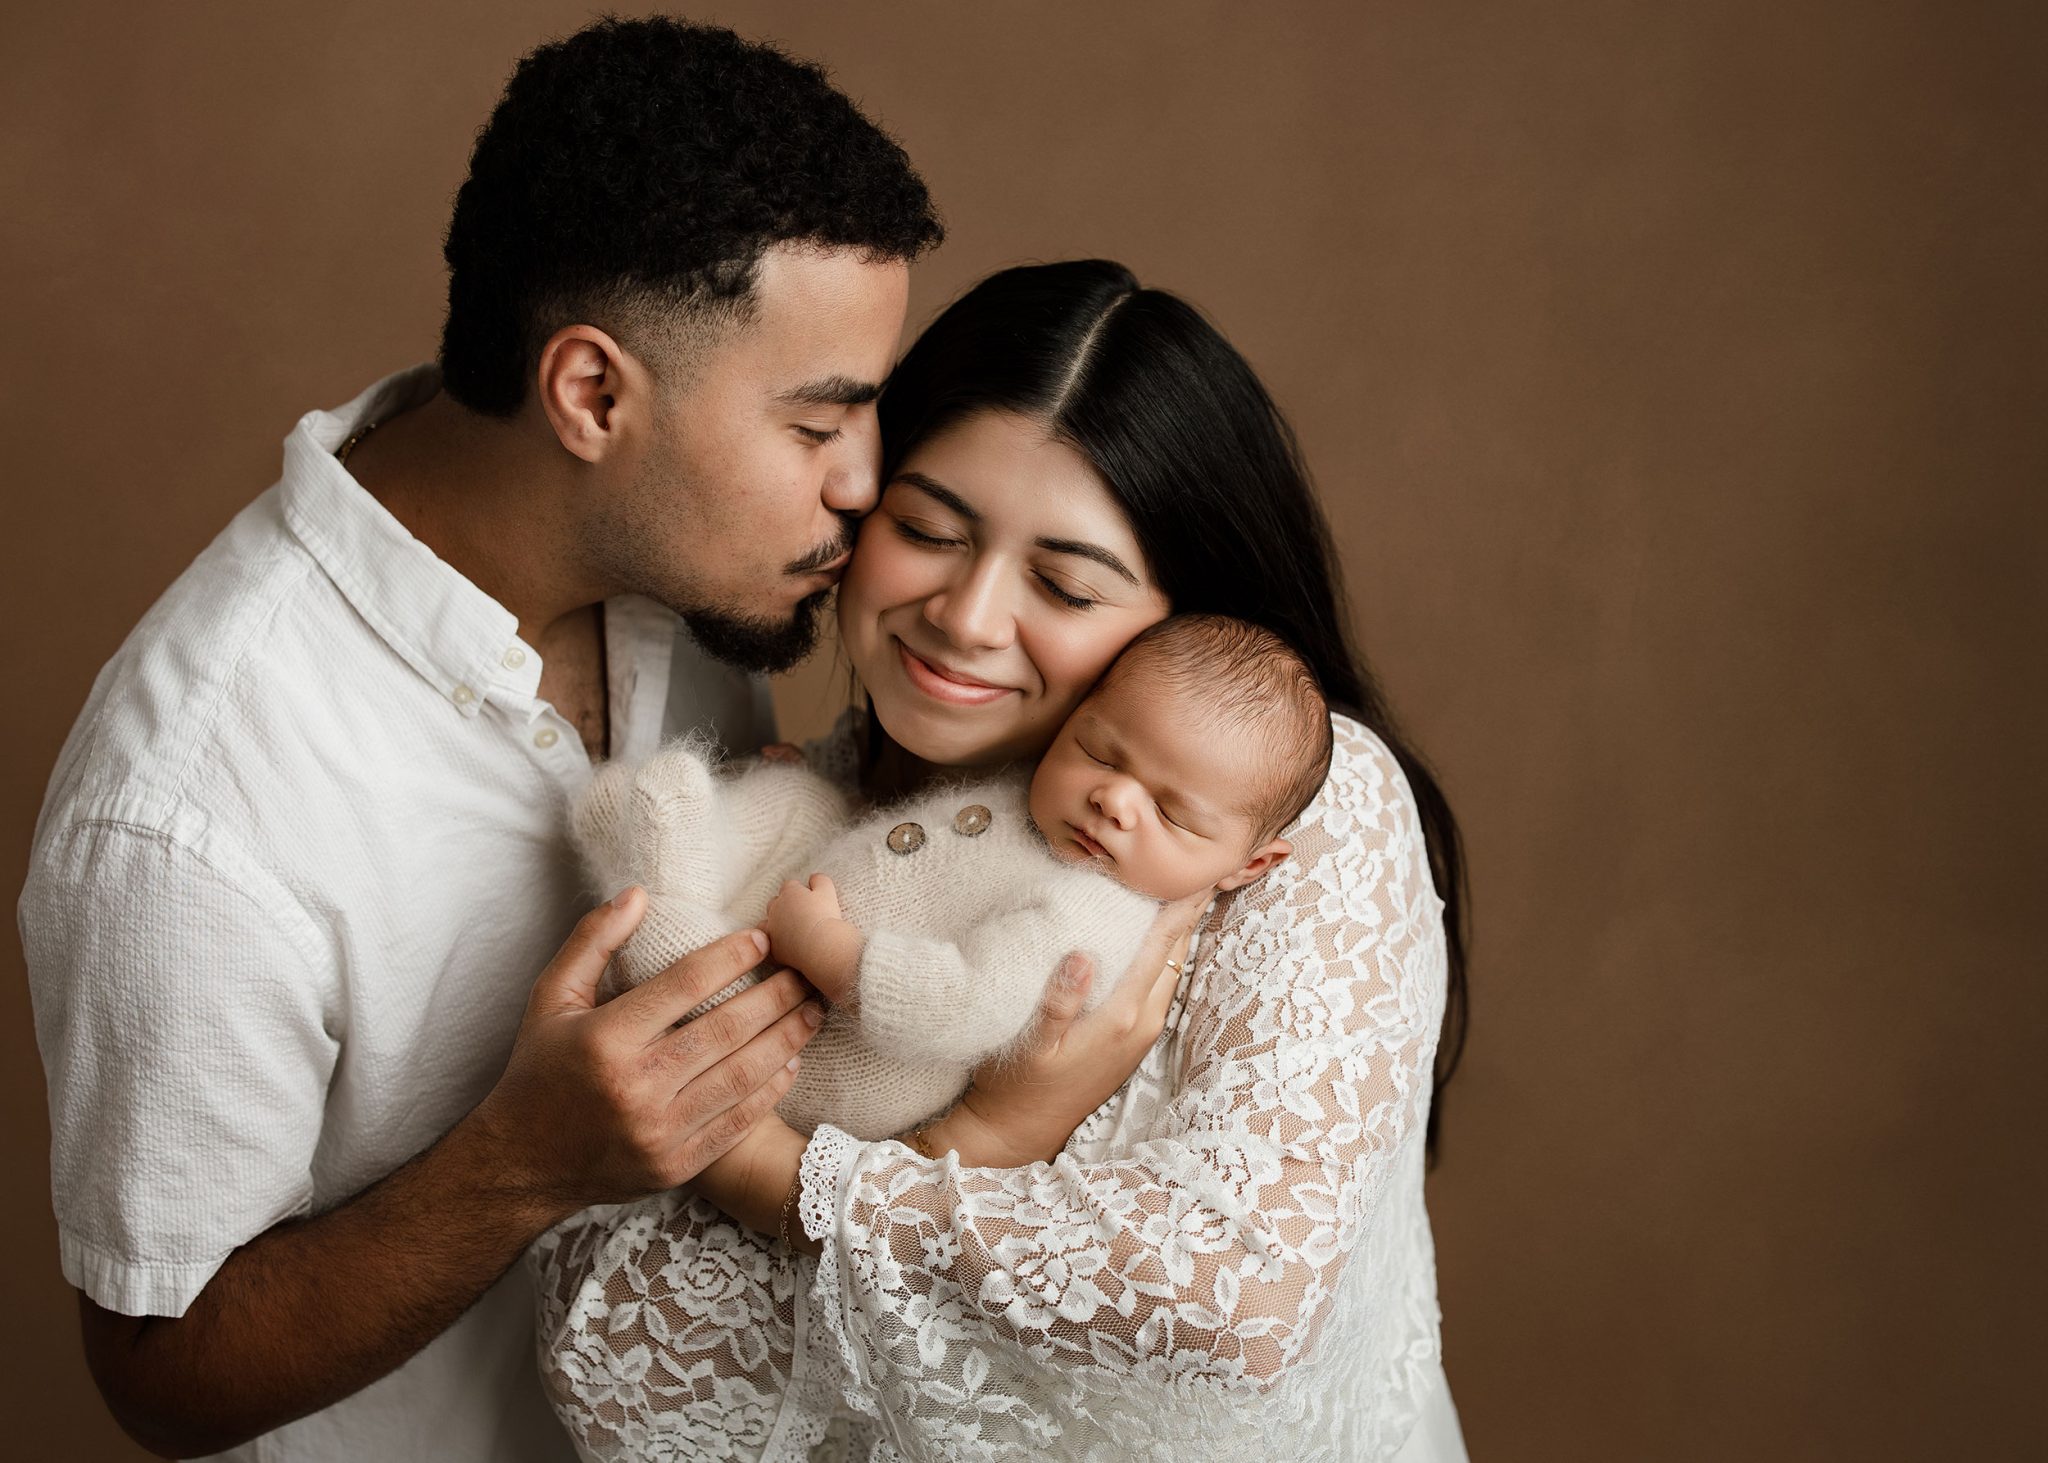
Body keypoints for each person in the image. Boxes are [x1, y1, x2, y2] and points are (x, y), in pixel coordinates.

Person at [17, 19, 940, 1462]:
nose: (865, 483)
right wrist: (520, 1165)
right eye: (819, 424)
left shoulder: (699, 571)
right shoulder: (187, 805)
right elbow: (159, 1370)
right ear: (591, 395)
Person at [533, 260, 1472, 1461]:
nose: (967, 618)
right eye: (925, 531)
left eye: (1064, 585)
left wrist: (799, 1174)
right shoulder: (811, 817)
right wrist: (990, 1138)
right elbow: (618, 1352)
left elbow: (1236, 1303)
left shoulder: (1285, 814)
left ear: (1190, 614)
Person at [570, 614, 1328, 1143]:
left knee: (709, 983)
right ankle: (684, 836)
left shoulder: (1091, 912)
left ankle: (661, 899)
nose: (1114, 801)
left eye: (1170, 812)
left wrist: (828, 950)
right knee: (803, 799)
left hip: (832, 1046)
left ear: (1248, 865)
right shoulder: (1045, 795)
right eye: (1099, 751)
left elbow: (967, 1001)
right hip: (818, 904)